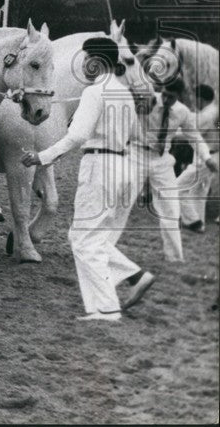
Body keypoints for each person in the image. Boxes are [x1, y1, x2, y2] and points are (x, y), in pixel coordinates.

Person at [22, 37, 147, 322]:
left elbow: (77, 135)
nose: (85, 64)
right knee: (86, 237)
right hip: (121, 165)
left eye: (87, 57)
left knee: (84, 240)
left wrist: (42, 157)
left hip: (100, 166)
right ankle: (131, 277)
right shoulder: (124, 92)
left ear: (96, 60)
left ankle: (107, 308)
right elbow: (136, 134)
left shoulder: (94, 92)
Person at [129, 78, 213, 261]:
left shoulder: (182, 111)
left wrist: (206, 157)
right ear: (162, 90)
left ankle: (174, 257)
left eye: (171, 97)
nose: (165, 99)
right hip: (137, 154)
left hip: (161, 160)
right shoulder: (149, 100)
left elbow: (195, 137)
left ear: (179, 97)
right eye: (164, 94)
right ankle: (100, 245)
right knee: (122, 200)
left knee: (171, 209)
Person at [176, 84, 219, 231]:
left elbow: (190, 133)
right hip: (210, 155)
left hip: (207, 158)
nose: (194, 101)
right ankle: (199, 224)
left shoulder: (207, 115)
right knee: (199, 192)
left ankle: (192, 221)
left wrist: (166, 134)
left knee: (177, 187)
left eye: (195, 98)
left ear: (200, 99)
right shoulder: (213, 111)